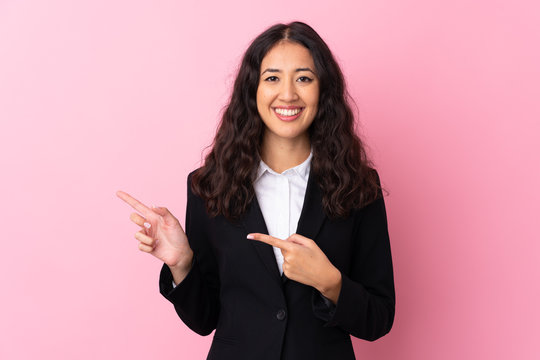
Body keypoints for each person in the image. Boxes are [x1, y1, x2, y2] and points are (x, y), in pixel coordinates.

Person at [117, 21, 395, 360]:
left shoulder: (358, 186)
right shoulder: (209, 186)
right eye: (273, 78)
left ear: (323, 90)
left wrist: (330, 282)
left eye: (304, 78)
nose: (288, 94)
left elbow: (379, 319)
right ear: (253, 90)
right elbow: (205, 320)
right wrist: (182, 264)